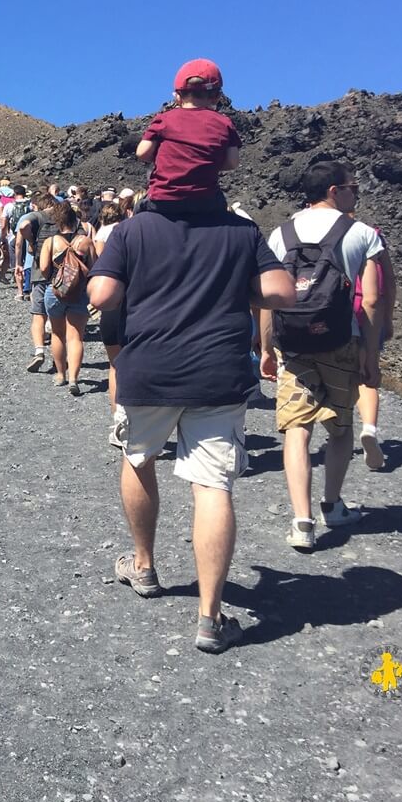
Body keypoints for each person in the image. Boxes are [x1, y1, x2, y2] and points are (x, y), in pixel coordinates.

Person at [89, 203, 295, 654]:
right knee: (213, 486)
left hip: (149, 369)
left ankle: (143, 566)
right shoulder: (241, 231)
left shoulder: (132, 230)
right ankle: (210, 618)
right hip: (218, 373)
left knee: (139, 458)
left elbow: (102, 296)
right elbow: (282, 292)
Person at [259, 161, 386, 552]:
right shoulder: (361, 233)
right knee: (341, 426)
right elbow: (374, 299)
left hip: (293, 345)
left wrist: (265, 348)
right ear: (334, 190)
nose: (355, 194)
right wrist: (371, 351)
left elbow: (268, 296)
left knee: (297, 428)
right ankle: (331, 504)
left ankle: (302, 521)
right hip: (340, 341)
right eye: (352, 187)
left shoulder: (280, 234)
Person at [135, 58, 241, 214]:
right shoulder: (224, 123)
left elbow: (142, 152)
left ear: (177, 96)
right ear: (217, 96)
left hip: (163, 200)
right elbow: (232, 162)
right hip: (206, 201)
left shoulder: (164, 119)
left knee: (138, 210)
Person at [40, 200, 94, 393]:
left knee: (57, 334)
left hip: (55, 292)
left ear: (58, 222)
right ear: (75, 220)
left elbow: (44, 269)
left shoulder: (51, 242)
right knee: (76, 336)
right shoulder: (86, 242)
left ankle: (61, 375)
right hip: (79, 293)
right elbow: (94, 268)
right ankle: (74, 379)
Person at [354, 226, 396, 470]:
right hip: (370, 312)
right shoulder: (373, 235)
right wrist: (388, 318)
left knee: (339, 372)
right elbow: (388, 281)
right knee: (367, 374)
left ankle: (336, 433)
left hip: (339, 310)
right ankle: (369, 428)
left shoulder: (323, 231)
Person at [93, 201, 128, 419]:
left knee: (115, 365)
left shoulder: (101, 234)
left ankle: (118, 419)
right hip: (132, 301)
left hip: (111, 297)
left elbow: (101, 264)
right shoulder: (130, 231)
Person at [18, 192, 57, 371]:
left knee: (38, 313)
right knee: (59, 316)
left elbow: (24, 226)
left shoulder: (38, 216)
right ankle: (60, 357)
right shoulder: (64, 216)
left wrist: (31, 241)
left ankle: (39, 351)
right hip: (61, 273)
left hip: (40, 271)